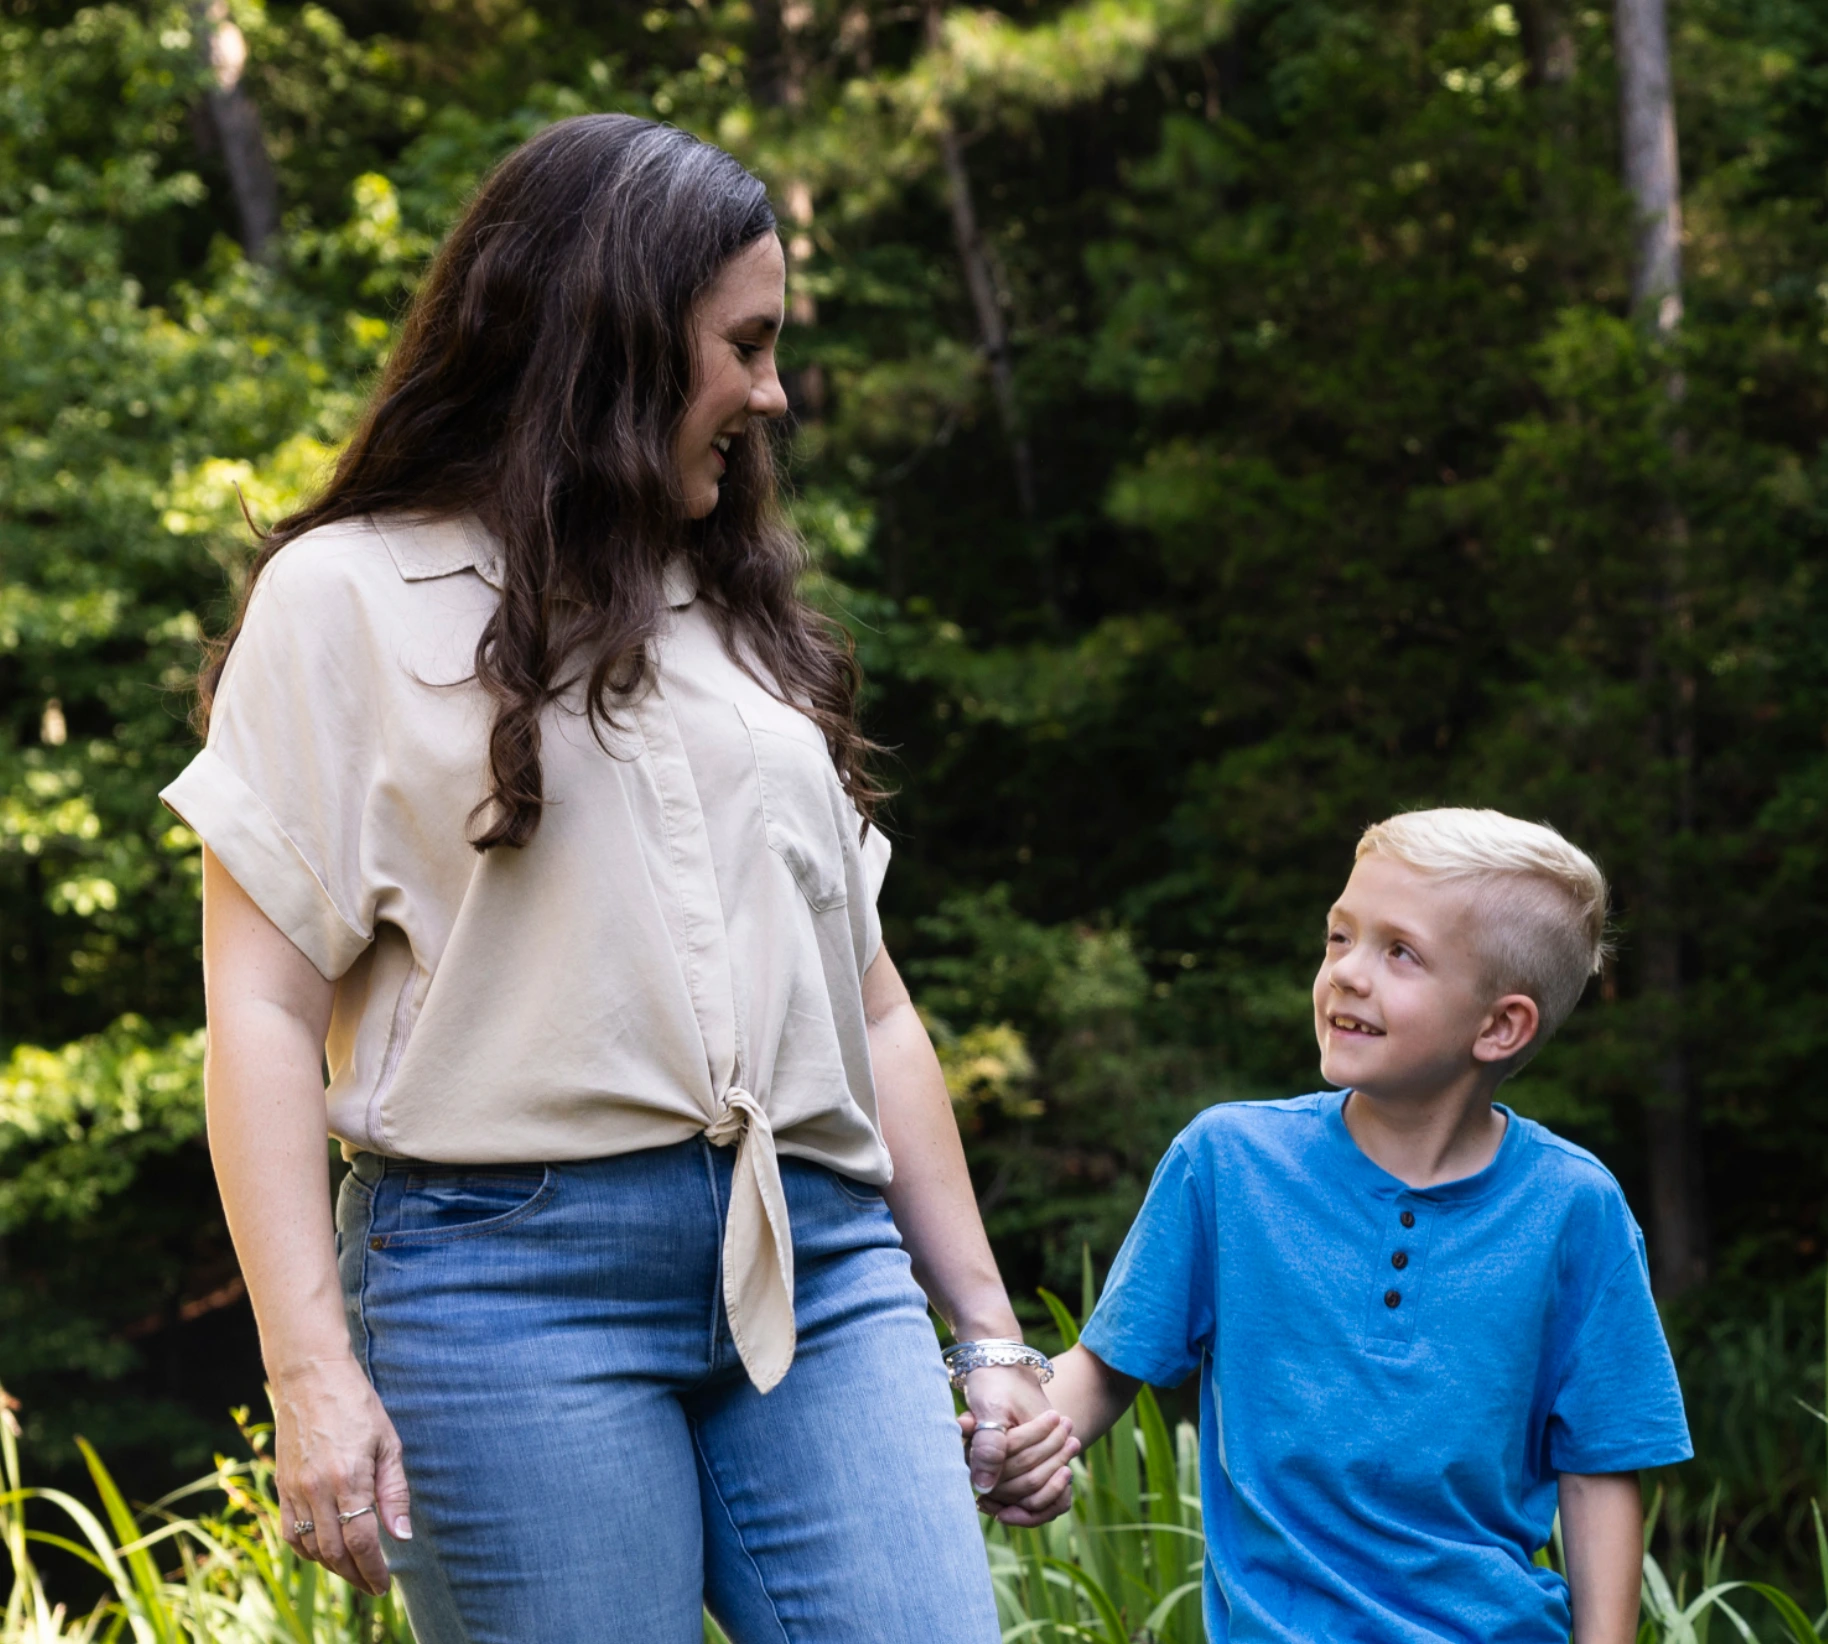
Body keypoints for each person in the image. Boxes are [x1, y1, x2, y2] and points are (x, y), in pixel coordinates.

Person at [162, 113, 1075, 1644]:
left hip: (820, 1259)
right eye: (748, 344)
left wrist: (990, 1333)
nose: (773, 394)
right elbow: (257, 1010)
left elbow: (877, 1009)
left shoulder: (739, 611)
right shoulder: (344, 599)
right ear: (618, 338)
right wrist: (308, 1368)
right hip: (500, 1286)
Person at [984, 808, 1692, 1643]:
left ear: (1500, 1025)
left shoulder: (1576, 1208)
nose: (1348, 973)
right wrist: (1019, 1438)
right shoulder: (1228, 1161)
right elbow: (1104, 1370)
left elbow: (1599, 1468)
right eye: (1339, 937)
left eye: (1401, 952)